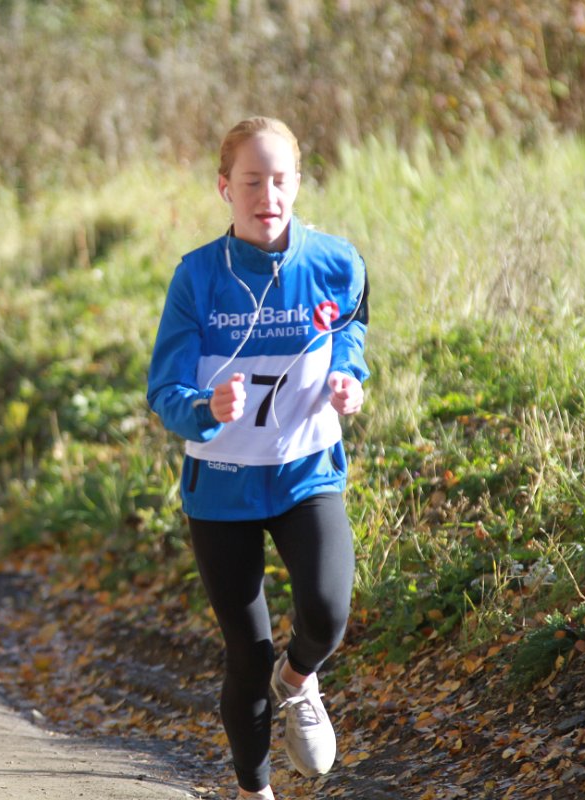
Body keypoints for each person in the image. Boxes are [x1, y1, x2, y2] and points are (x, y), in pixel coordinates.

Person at [146, 117, 369, 799]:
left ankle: (298, 681)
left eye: (279, 180)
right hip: (222, 488)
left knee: (327, 613)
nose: (267, 196)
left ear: (297, 182)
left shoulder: (337, 262)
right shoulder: (197, 277)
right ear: (224, 187)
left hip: (306, 472)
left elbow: (351, 333)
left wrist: (350, 379)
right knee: (247, 654)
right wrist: (205, 407)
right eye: (251, 182)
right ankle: (254, 790)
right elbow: (165, 390)